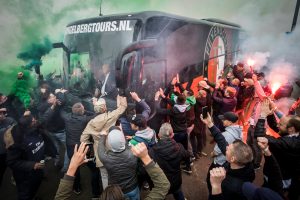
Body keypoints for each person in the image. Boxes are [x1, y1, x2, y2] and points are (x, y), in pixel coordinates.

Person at [55, 142, 170, 200]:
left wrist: (72, 167)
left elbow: (100, 149)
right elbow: (163, 186)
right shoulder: (131, 154)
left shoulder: (105, 157)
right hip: (133, 188)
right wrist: (145, 157)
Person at [201, 113, 255, 199]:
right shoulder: (246, 165)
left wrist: (215, 186)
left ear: (233, 159)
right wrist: (210, 124)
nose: (226, 147)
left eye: (228, 149)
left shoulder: (230, 185)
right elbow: (221, 140)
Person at [254, 99, 300, 200]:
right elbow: (277, 125)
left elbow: (259, 135)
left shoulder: (285, 144)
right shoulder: (294, 132)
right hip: (286, 174)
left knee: (268, 194)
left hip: (279, 178)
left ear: (291, 129)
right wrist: (272, 111)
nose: (278, 125)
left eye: (281, 124)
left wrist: (262, 115)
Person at [81, 95, 127, 189]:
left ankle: (108, 195)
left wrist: (93, 144)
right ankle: (119, 193)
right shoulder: (111, 116)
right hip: (112, 151)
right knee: (116, 173)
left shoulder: (91, 123)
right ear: (104, 107)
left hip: (100, 154)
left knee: (104, 176)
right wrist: (121, 96)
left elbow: (83, 139)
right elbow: (123, 107)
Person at [60, 102, 100, 196]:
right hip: (84, 148)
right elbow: (97, 114)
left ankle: (76, 188)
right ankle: (96, 192)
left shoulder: (67, 117)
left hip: (71, 149)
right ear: (82, 111)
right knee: (94, 169)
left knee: (75, 168)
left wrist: (60, 104)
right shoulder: (85, 119)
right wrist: (85, 110)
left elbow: (61, 111)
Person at [5, 111, 46, 200]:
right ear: (27, 125)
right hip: (26, 175)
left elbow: (43, 121)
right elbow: (11, 162)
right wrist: (32, 165)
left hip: (38, 168)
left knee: (35, 186)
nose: (35, 121)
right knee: (25, 194)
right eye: (33, 121)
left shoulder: (35, 128)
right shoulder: (17, 140)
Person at [149, 123, 190, 200]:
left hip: (160, 183)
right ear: (172, 135)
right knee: (178, 193)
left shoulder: (151, 152)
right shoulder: (179, 147)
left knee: (161, 196)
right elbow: (187, 155)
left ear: (158, 135)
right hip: (175, 181)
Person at [98, 127, 139, 199]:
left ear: (110, 143)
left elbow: (100, 147)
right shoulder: (133, 153)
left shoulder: (105, 158)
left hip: (116, 193)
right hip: (133, 188)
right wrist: (121, 132)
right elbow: (126, 145)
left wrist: (103, 136)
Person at [0, 107, 16, 185]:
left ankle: (15, 178)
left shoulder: (10, 120)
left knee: (15, 165)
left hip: (12, 148)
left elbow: (16, 129)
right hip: (2, 152)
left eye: (1, 113)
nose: (0, 115)